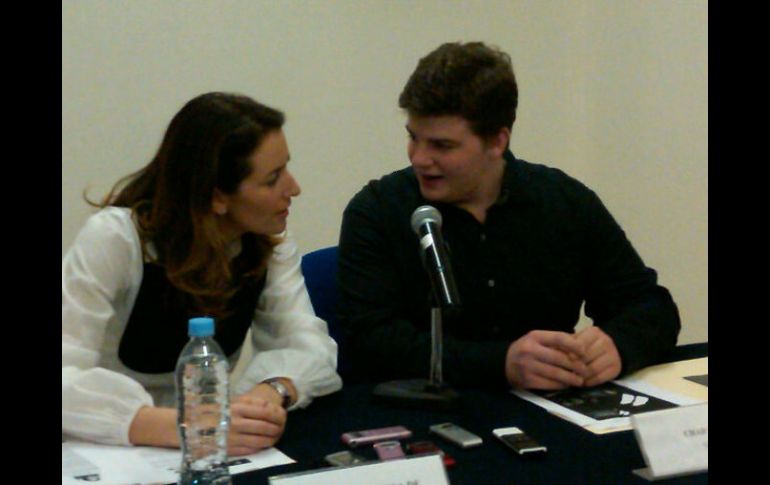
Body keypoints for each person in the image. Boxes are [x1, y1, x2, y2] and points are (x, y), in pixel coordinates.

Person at [337, 42, 681, 391]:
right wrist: (500, 363)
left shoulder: (564, 202)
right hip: (423, 414)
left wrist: (617, 345)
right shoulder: (377, 211)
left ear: (497, 141)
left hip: (550, 411)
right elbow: (370, 344)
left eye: (442, 146)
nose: (419, 159)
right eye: (414, 138)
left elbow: (651, 307)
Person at [62, 92, 342, 455]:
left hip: (209, 446)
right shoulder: (115, 239)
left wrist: (270, 392)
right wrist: (181, 427)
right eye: (272, 179)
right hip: (103, 450)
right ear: (217, 197)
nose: (294, 189)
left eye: (286, 167)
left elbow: (312, 346)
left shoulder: (267, 242)